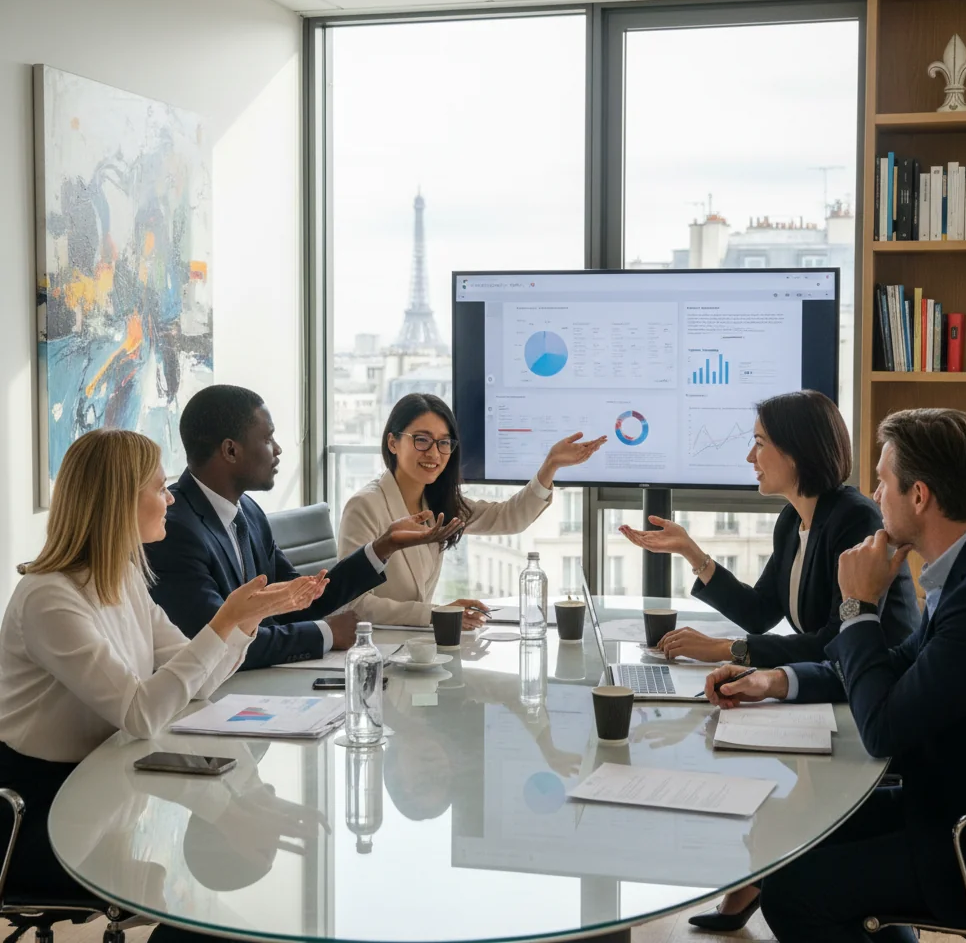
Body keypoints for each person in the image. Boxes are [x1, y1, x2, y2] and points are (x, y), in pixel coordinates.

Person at [703, 408, 966, 942]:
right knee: (786, 834)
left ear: (919, 496)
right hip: (944, 799)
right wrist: (777, 680)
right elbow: (900, 664)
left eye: (883, 482)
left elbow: (882, 729)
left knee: (794, 895)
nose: (874, 495)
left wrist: (858, 606)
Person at [0, 428, 326, 943]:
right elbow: (139, 713)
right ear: (118, 502)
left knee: (225, 894)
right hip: (46, 817)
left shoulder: (123, 577)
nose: (170, 498)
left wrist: (246, 622)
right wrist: (223, 623)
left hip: (113, 790)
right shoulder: (49, 599)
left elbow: (195, 681)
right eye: (159, 488)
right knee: (211, 915)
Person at [621, 390, 920, 934]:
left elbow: (836, 639)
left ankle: (784, 894)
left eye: (759, 444)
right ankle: (752, 887)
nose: (749, 457)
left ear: (797, 452)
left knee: (743, 754)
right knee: (727, 740)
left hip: (867, 694)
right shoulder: (795, 521)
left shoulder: (854, 520)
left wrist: (730, 651)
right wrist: (693, 552)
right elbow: (761, 612)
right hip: (832, 688)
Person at [146, 385, 461, 669]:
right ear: (231, 450)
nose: (279, 449)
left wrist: (384, 546)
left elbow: (303, 597)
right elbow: (215, 643)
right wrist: (324, 633)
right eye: (268, 439)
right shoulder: (174, 530)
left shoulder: (250, 514)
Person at [338, 393, 606, 627]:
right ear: (393, 443)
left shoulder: (437, 503)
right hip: (376, 647)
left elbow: (508, 518)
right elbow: (353, 605)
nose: (434, 453)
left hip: (415, 647)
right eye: (422, 440)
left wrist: (551, 465)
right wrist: (436, 614)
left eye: (444, 443)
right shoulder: (364, 507)